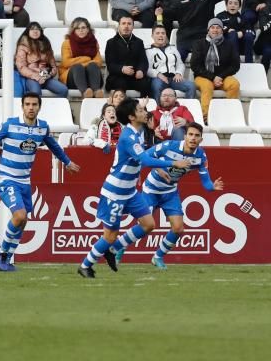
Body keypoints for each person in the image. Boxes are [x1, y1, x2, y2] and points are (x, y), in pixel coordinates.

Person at [77, 97, 191, 278]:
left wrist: (159, 167)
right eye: (140, 110)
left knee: (148, 224)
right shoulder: (128, 137)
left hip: (130, 191)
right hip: (115, 192)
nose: (144, 113)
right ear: (131, 117)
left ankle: (113, 250)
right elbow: (144, 159)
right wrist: (173, 163)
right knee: (110, 234)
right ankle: (85, 265)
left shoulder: (138, 132)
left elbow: (143, 156)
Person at [0, 91, 79, 271]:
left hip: (24, 181)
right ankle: (3, 255)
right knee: (19, 215)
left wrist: (67, 162)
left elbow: (54, 146)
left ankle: (6, 259)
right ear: (22, 107)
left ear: (39, 107)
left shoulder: (42, 127)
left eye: (34, 105)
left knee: (23, 221)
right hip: (6, 178)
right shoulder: (11, 125)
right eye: (27, 104)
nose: (30, 107)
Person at [118, 124, 223, 269]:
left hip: (170, 193)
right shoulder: (169, 146)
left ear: (201, 139)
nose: (193, 138)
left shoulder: (200, 156)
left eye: (196, 136)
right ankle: (119, 246)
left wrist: (212, 186)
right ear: (185, 136)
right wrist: (158, 168)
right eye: (190, 134)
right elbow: (145, 156)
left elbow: (205, 182)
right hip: (152, 189)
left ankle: (158, 257)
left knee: (179, 229)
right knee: (146, 226)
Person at [190, 18, 241, 120]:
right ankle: (206, 117)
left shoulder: (229, 44)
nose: (215, 30)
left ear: (222, 30)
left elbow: (235, 65)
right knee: (207, 86)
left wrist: (220, 76)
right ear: (208, 30)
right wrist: (212, 77)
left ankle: (231, 115)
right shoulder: (199, 44)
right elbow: (195, 65)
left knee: (234, 84)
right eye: (212, 27)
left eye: (218, 27)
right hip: (203, 77)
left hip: (223, 77)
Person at [14, 21, 68, 97]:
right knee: (36, 92)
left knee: (63, 90)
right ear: (28, 32)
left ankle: (56, 107)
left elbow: (53, 67)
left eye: (37, 29)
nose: (35, 31)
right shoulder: (23, 46)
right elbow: (21, 67)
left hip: (44, 75)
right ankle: (38, 109)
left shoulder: (46, 44)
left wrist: (46, 75)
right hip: (30, 77)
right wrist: (36, 77)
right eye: (32, 29)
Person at [104, 14, 151, 98]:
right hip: (117, 77)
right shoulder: (111, 43)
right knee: (121, 83)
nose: (126, 26)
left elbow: (143, 61)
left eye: (129, 24)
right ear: (119, 26)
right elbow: (110, 65)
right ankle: (121, 109)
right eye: (123, 23)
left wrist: (141, 70)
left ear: (133, 27)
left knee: (146, 84)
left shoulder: (139, 42)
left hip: (135, 77)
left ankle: (142, 108)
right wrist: (122, 69)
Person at [145, 26, 195, 102]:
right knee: (156, 86)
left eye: (163, 33)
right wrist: (159, 75)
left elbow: (180, 64)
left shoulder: (172, 48)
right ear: (152, 36)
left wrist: (178, 73)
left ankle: (187, 109)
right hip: (158, 78)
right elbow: (146, 68)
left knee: (191, 86)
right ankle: (158, 110)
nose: (160, 35)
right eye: (157, 33)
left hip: (173, 78)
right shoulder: (148, 50)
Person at [61, 18, 105, 98]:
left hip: (92, 78)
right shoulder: (67, 43)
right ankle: (85, 92)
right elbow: (66, 62)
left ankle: (96, 91)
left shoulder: (93, 42)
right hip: (73, 79)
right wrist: (86, 59)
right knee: (78, 67)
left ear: (88, 29)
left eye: (83, 28)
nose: (81, 30)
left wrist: (86, 63)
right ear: (73, 30)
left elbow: (99, 62)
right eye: (77, 28)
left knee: (93, 65)